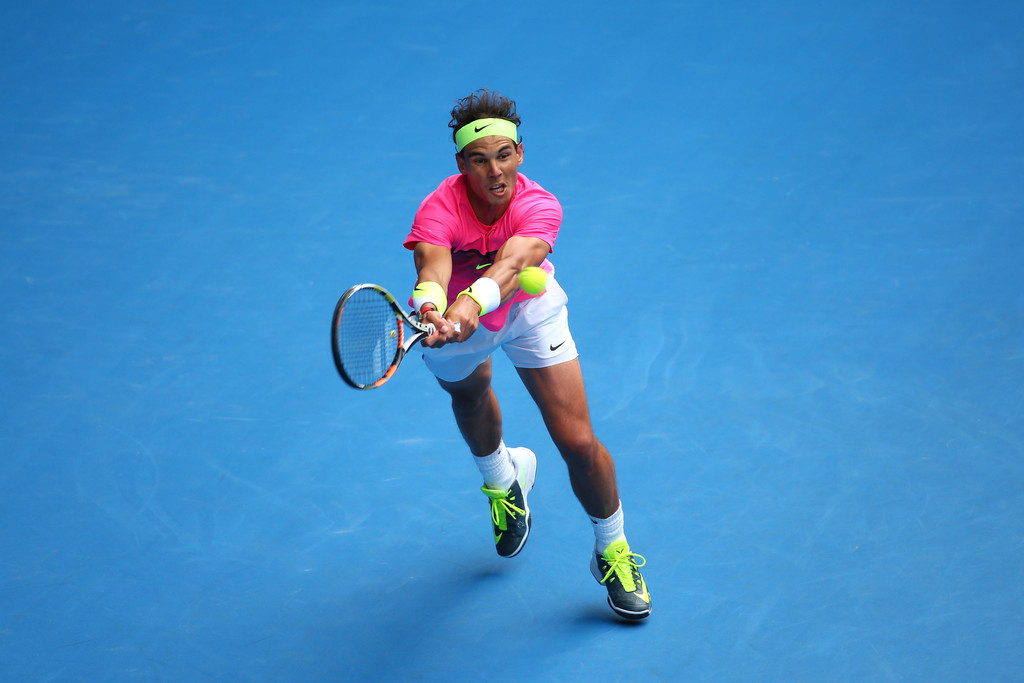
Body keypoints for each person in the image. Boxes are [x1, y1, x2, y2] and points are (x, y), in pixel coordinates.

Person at [404, 89, 651, 620]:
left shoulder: (539, 204)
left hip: (528, 312)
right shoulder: (439, 206)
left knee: (577, 441)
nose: (494, 171)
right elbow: (431, 270)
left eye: (504, 155)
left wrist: (472, 300)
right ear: (460, 164)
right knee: (470, 398)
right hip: (459, 322)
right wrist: (431, 310)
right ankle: (503, 479)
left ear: (520, 153)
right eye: (479, 159)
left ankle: (613, 550)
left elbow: (516, 264)